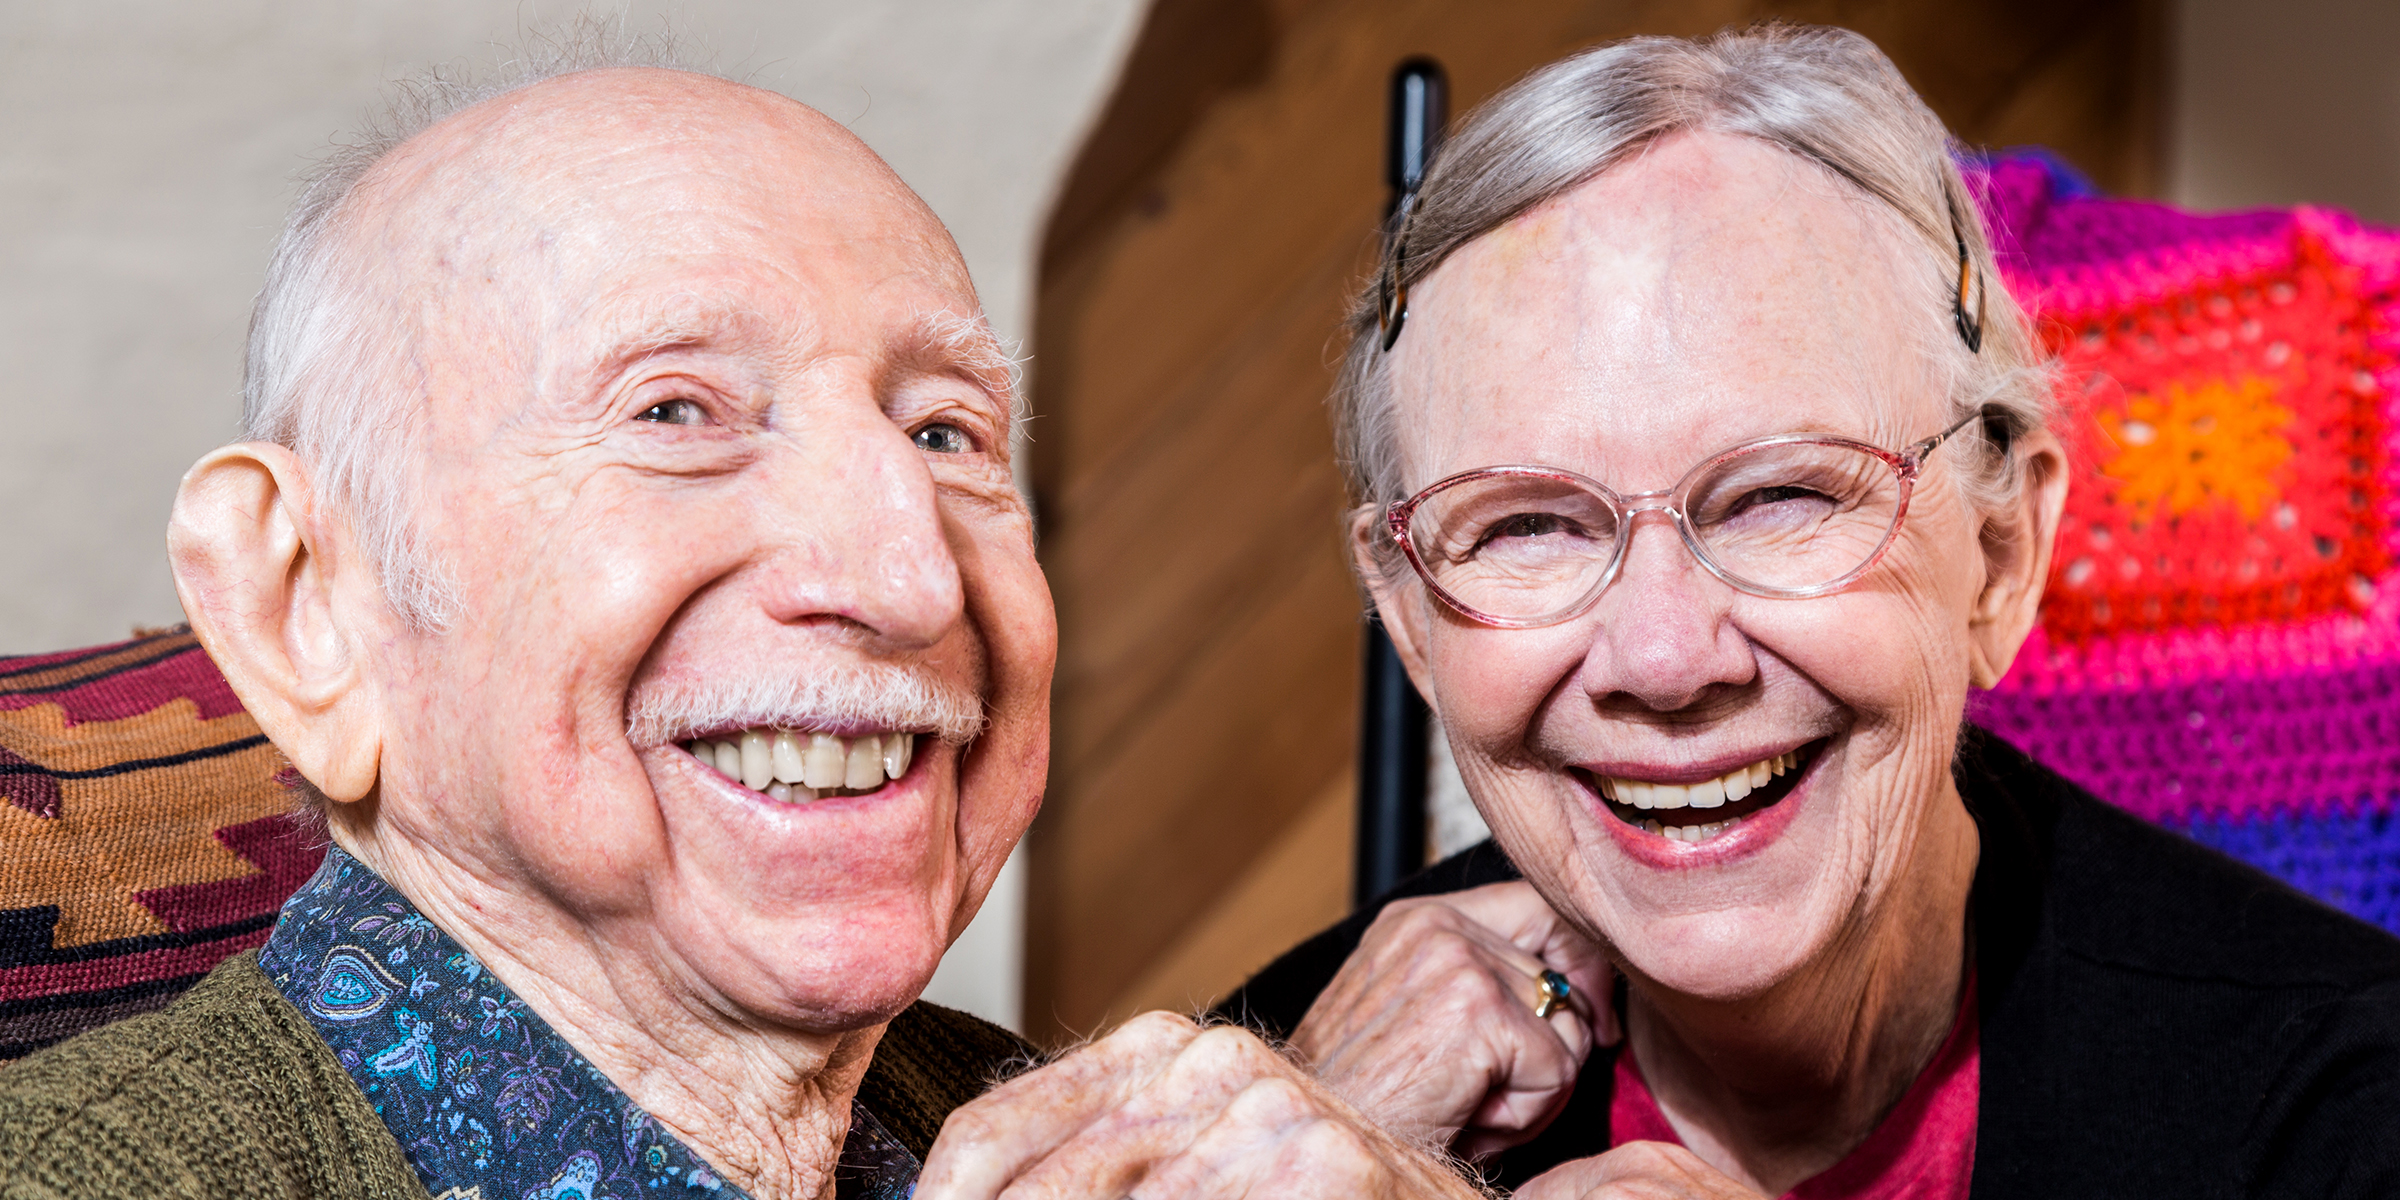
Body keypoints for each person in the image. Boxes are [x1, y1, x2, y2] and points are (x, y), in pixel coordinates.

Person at [0, 37, 1480, 1200]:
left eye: (948, 432)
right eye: (676, 413)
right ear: (304, 607)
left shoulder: (1056, 1122)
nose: (911, 581)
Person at [1222, 23, 2400, 1200]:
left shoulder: (2343, 1112)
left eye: (1782, 495)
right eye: (1526, 525)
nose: (1667, 657)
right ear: (1412, 619)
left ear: (1999, 554)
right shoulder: (1275, 1109)